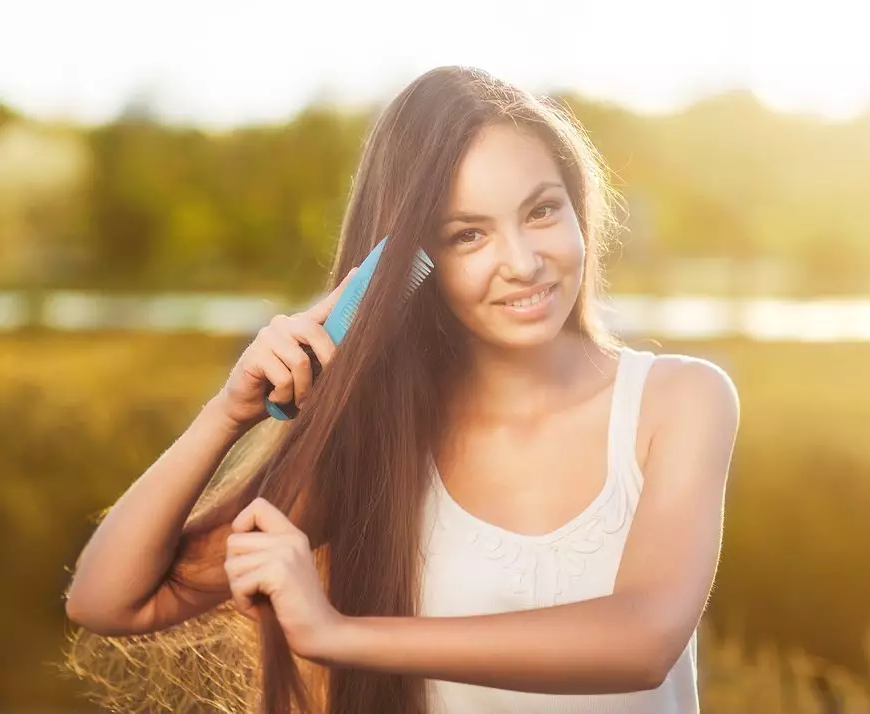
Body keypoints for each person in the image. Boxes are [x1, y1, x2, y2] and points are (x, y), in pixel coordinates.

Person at [64, 65, 740, 714]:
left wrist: (336, 634)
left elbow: (643, 638)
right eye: (467, 234)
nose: (523, 262)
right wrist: (228, 412)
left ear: (577, 209)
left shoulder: (681, 401)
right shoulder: (383, 448)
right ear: (408, 266)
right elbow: (109, 600)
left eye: (540, 212)